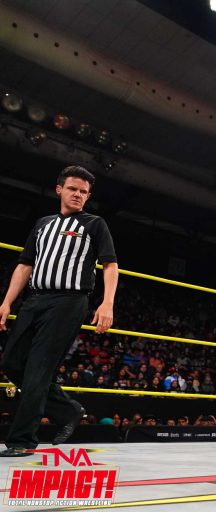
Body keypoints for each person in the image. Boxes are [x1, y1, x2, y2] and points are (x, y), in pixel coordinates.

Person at [0, 166, 118, 457]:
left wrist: (107, 302)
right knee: (11, 362)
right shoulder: (43, 224)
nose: (78, 194)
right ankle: (67, 409)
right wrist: (6, 302)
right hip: (34, 300)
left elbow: (110, 264)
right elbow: (25, 265)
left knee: (38, 368)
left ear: (88, 196)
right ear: (59, 190)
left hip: (68, 301)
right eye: (72, 189)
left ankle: (21, 441)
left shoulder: (94, 223)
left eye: (83, 192)